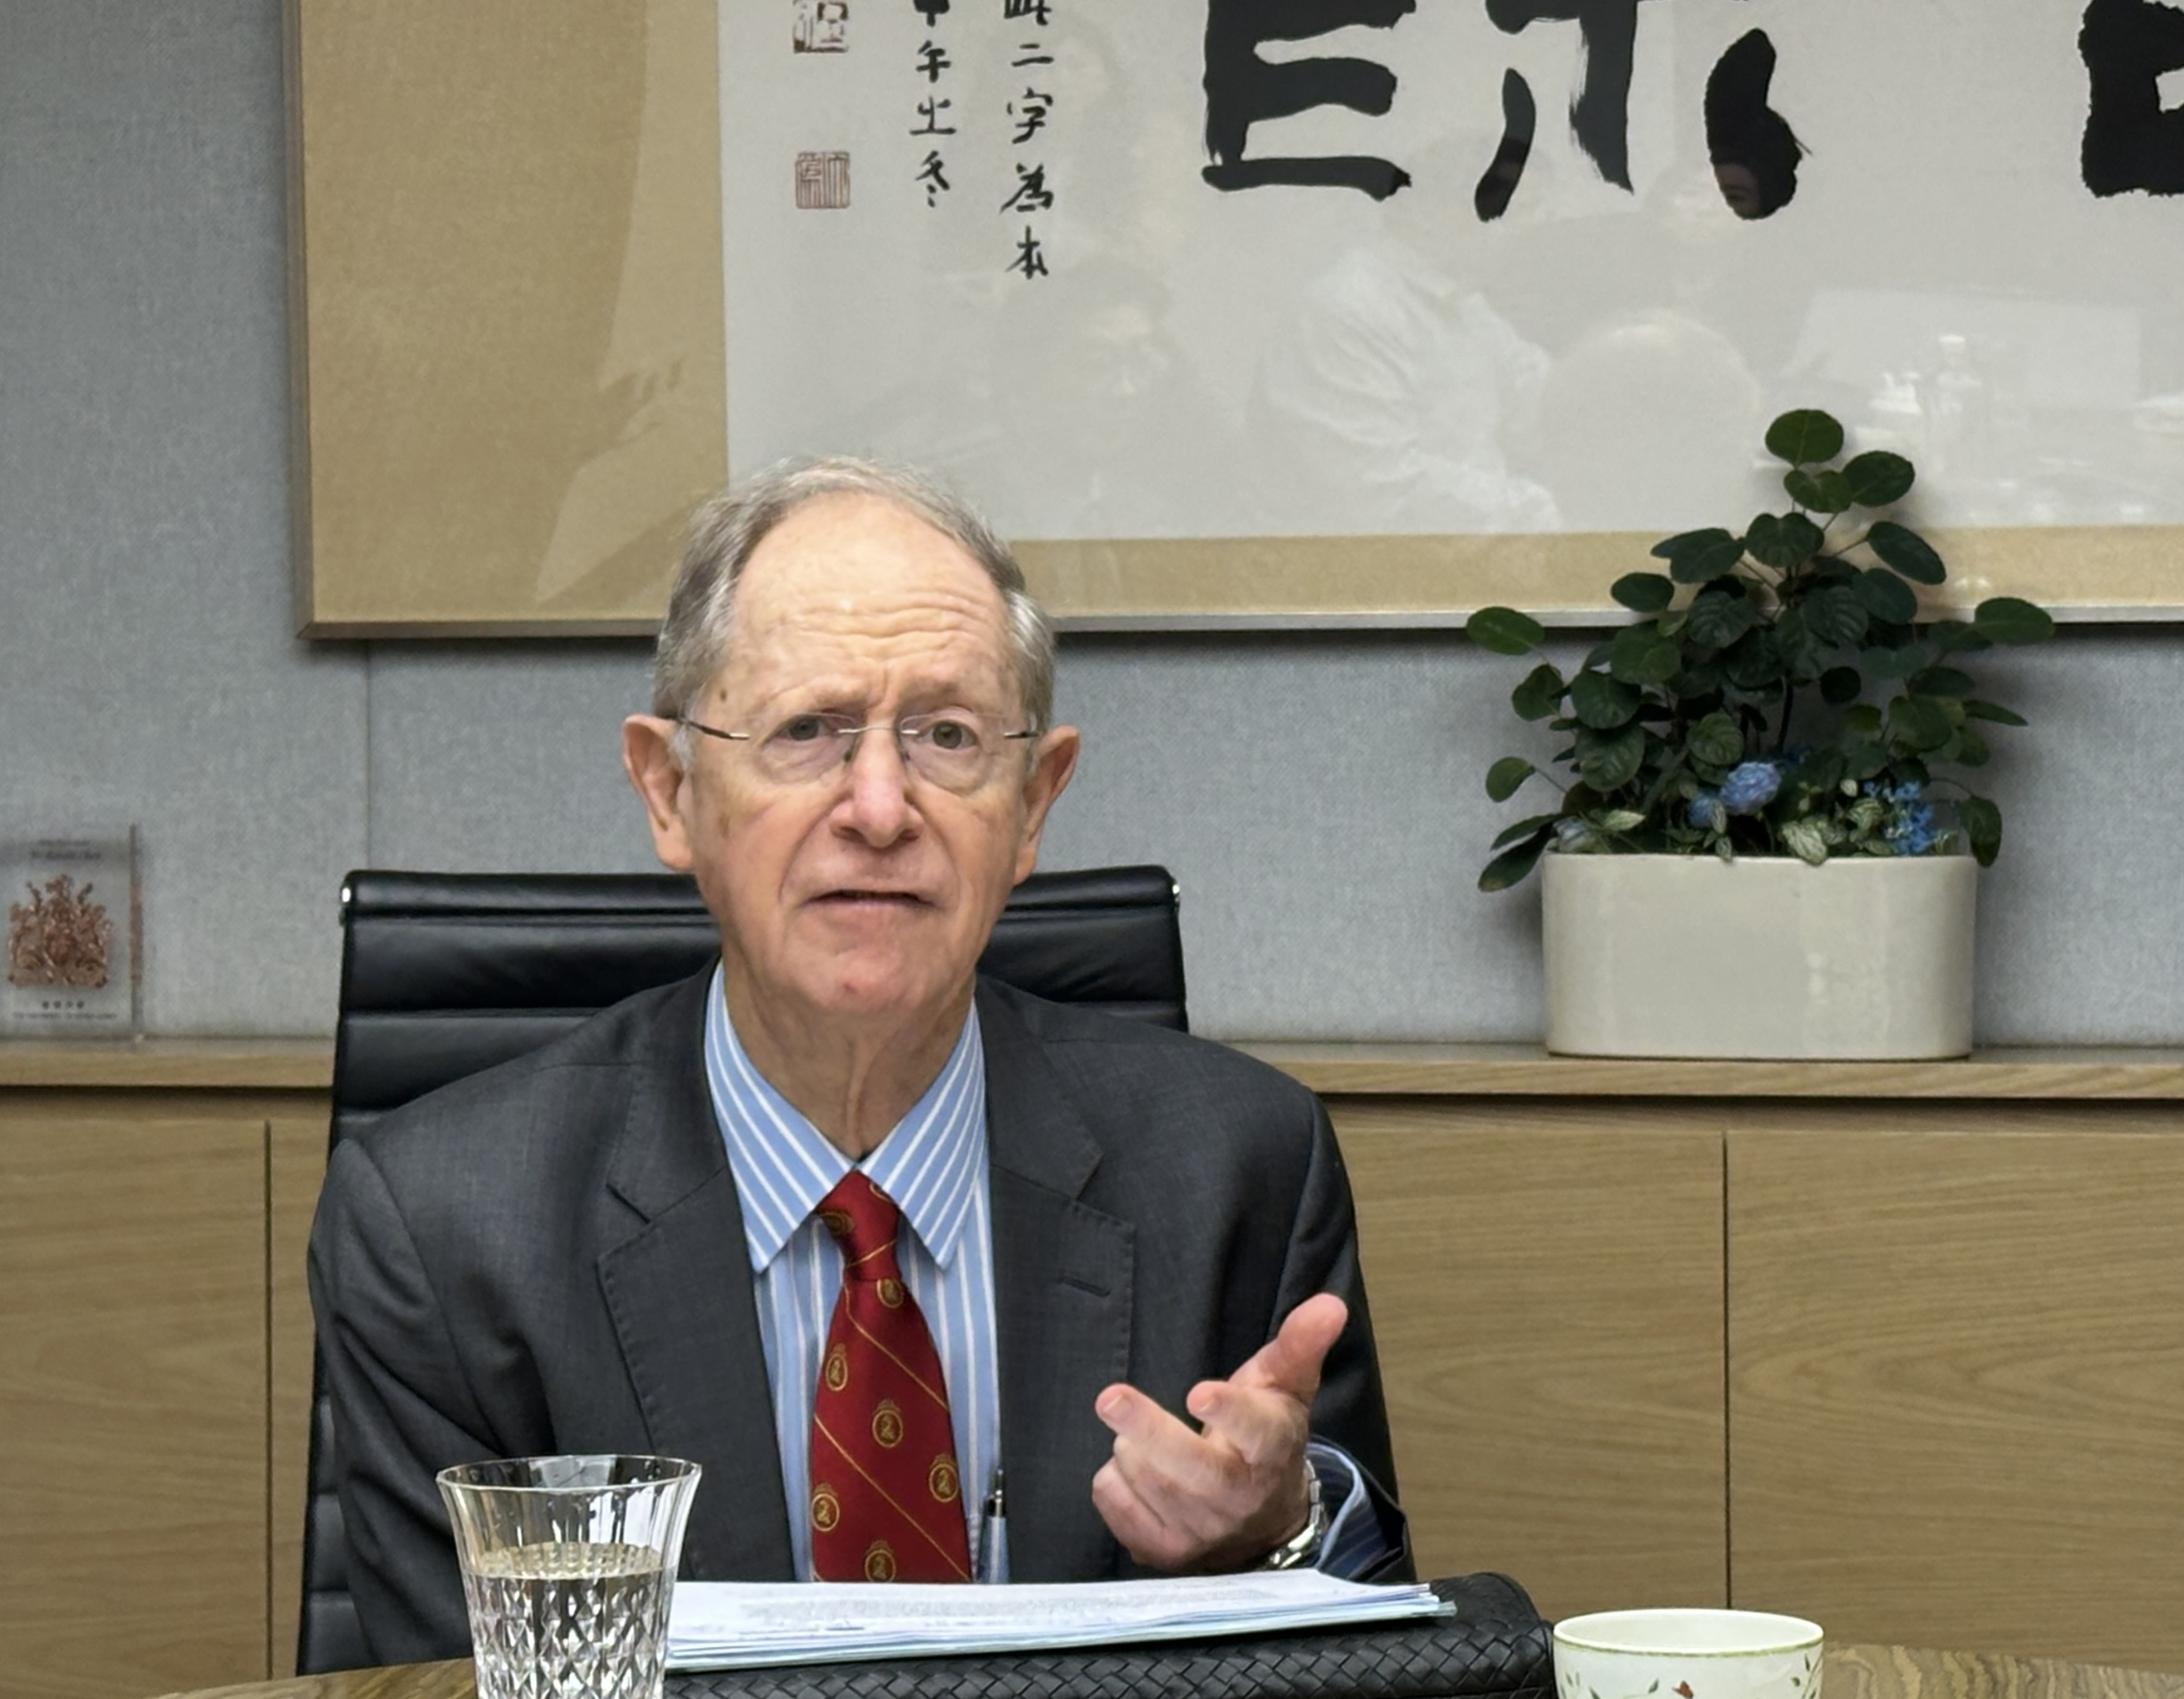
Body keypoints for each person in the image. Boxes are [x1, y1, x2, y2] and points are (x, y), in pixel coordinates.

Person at [309, 457, 1409, 1662]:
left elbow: (1386, 1647)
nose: (880, 806)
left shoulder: (1240, 1169)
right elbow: (455, 1686)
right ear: (669, 790)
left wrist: (1284, 1530)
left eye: (945, 735)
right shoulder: (445, 1226)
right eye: (807, 732)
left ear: (1035, 804)